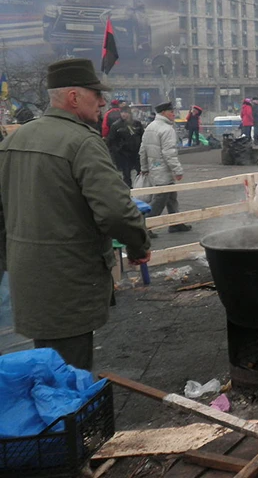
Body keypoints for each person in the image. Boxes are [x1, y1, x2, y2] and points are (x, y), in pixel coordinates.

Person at [0, 58, 150, 369]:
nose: (103, 102)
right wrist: (139, 246)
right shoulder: (82, 142)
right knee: (71, 379)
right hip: (69, 283)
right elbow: (116, 212)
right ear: (73, 97)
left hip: (28, 282)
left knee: (47, 369)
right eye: (96, 95)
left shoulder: (13, 140)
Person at [140, 101, 191, 236]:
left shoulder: (150, 127)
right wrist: (178, 170)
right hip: (163, 170)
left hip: (154, 168)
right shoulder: (167, 129)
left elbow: (142, 150)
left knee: (171, 197)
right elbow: (169, 153)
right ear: (164, 113)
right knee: (160, 199)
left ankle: (175, 222)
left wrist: (144, 167)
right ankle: (146, 225)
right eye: (171, 112)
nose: (174, 114)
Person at [106, 103, 144, 187]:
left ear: (129, 113)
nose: (123, 114)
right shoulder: (116, 125)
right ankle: (129, 191)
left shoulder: (137, 124)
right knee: (126, 175)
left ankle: (140, 189)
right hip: (123, 154)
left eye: (125, 112)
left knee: (140, 173)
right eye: (122, 112)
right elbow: (111, 140)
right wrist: (117, 150)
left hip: (137, 153)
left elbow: (142, 137)